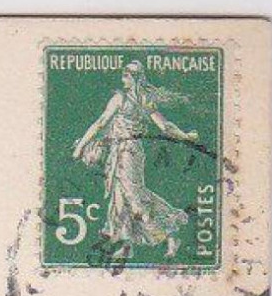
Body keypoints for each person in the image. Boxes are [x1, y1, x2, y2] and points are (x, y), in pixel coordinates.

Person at [71, 60, 198, 258]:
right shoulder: (143, 100)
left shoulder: (122, 99)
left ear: (133, 78)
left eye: (126, 75)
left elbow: (100, 123)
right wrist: (185, 135)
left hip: (127, 153)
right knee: (119, 196)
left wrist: (79, 147)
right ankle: (126, 244)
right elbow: (165, 127)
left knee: (135, 197)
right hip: (123, 152)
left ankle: (171, 233)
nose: (123, 78)